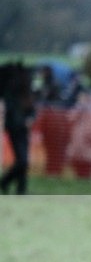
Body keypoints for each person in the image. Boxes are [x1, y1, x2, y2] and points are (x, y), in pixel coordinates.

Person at [1, 65, 36, 194]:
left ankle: (21, 189)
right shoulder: (11, 97)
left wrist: (30, 118)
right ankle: (5, 181)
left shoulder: (25, 96)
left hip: (23, 130)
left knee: (23, 160)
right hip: (15, 130)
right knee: (23, 160)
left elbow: (32, 111)